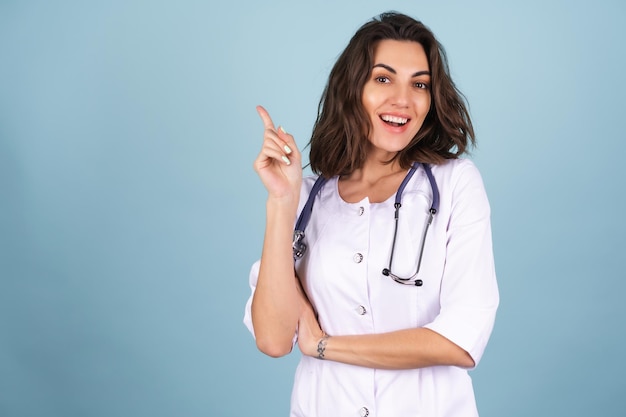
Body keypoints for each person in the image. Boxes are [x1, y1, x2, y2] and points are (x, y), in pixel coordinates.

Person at [243, 11, 499, 417]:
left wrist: (323, 345)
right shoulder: (307, 201)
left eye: (420, 84)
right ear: (352, 89)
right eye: (383, 78)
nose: (403, 98)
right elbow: (273, 339)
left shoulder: (455, 185)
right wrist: (281, 201)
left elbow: (460, 341)